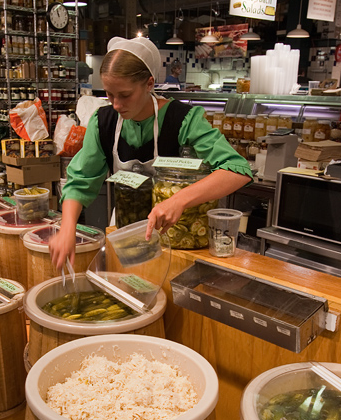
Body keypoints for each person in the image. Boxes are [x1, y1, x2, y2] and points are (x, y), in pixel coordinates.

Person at [50, 37, 252, 269]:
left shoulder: (183, 120)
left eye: (124, 95)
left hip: (176, 240)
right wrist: (67, 228)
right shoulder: (103, 122)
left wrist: (178, 200)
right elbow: (80, 181)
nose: (115, 104)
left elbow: (237, 170)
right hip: (125, 235)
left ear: (149, 84)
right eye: (109, 94)